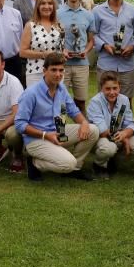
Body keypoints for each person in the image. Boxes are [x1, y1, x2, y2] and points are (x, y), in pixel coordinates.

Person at [14, 52, 97, 182]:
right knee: (68, 163)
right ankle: (34, 163)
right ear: (44, 71)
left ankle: (75, 169)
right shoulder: (31, 93)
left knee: (93, 130)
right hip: (36, 139)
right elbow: (20, 125)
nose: (58, 74)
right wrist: (46, 135)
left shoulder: (61, 88)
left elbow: (74, 111)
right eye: (53, 70)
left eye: (61, 70)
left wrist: (85, 123)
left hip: (58, 132)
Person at [87, 71, 134, 180]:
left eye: (115, 88)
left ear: (119, 87)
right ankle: (98, 165)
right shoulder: (95, 102)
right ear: (102, 88)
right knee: (108, 148)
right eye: (108, 89)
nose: (112, 92)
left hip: (117, 135)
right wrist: (123, 140)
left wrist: (125, 133)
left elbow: (130, 123)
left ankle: (112, 159)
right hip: (100, 138)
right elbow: (103, 131)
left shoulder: (124, 100)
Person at [93, 0, 134, 101]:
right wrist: (104, 45)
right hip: (106, 64)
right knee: (104, 101)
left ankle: (125, 122)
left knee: (126, 102)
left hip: (127, 65)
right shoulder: (97, 11)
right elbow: (93, 35)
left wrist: (132, 46)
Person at [58, 0, 95, 113]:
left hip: (81, 63)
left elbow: (91, 40)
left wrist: (86, 50)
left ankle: (82, 131)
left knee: (80, 101)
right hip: (62, 64)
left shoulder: (88, 16)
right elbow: (55, 38)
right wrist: (62, 50)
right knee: (60, 100)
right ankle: (60, 132)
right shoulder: (57, 13)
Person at [20, 0, 64, 86]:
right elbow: (22, 52)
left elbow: (61, 49)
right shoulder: (30, 26)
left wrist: (64, 53)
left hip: (56, 73)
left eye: (50, 3)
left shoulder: (59, 26)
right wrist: (44, 54)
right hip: (35, 72)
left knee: (55, 100)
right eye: (43, 3)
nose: (47, 7)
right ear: (38, 6)